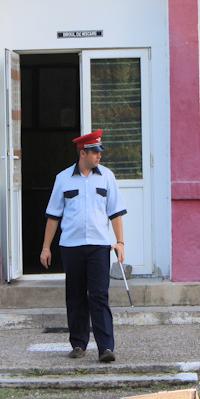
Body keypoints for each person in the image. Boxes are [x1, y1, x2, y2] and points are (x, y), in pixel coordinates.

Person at [40, 129, 126, 363]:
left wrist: (119, 242)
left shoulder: (107, 177)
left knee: (99, 296)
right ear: (83, 152)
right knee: (76, 296)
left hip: (99, 246)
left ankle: (106, 347)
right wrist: (46, 247)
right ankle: (78, 343)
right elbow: (53, 215)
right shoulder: (63, 179)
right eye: (95, 152)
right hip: (71, 246)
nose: (99, 156)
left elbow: (115, 213)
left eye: (99, 152)